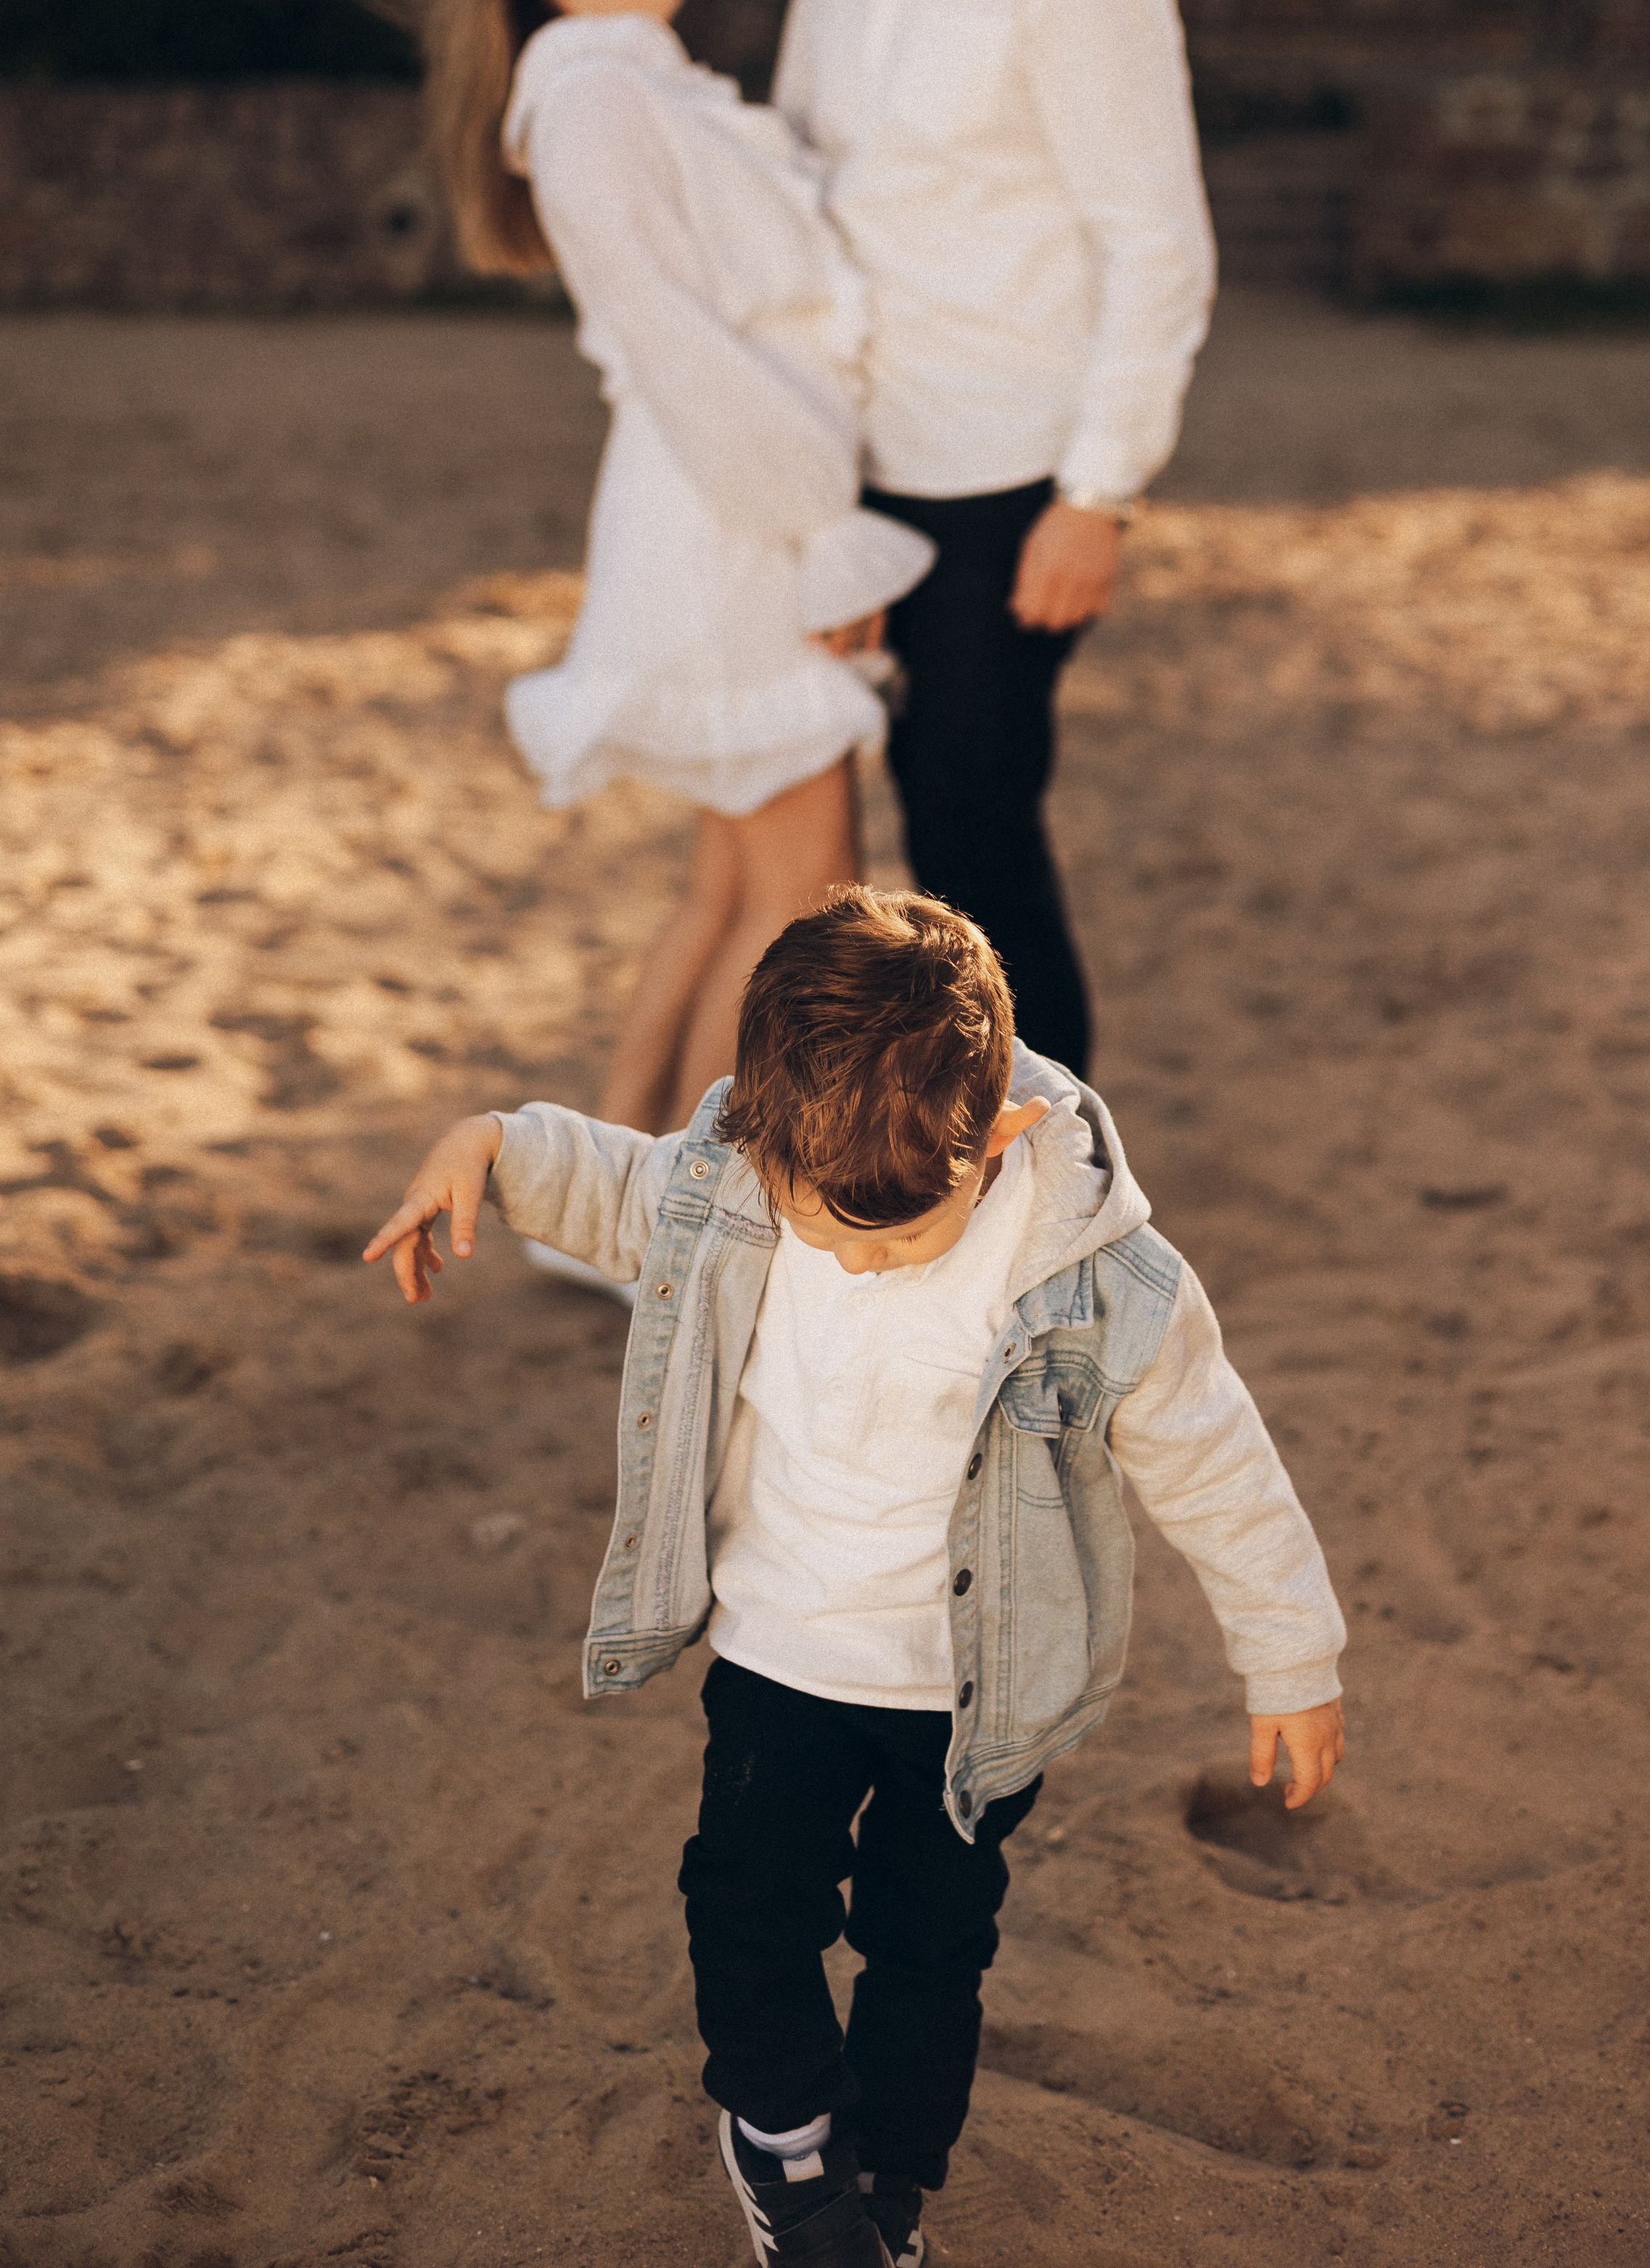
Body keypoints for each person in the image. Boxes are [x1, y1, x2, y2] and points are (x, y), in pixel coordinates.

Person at [364, 887, 1345, 2268]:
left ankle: (882, 2190)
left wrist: (1292, 1656)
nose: (858, 1259)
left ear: (998, 1135)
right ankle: (783, 2137)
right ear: (763, 1137)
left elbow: (1214, 1457)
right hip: (782, 1649)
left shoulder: (1098, 1280)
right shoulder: (756, 1178)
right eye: (825, 1225)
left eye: (897, 1238)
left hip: (974, 1693)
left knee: (930, 1948)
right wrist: (491, 1144)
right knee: (745, 1906)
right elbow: (629, 1186)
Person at [718, 0, 1218, 1080]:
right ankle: (931, 1145)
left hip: (1013, 477)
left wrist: (1098, 494)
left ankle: (1056, 1167)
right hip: (853, 463)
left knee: (970, 821)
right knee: (872, 830)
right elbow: (805, 183)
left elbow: (1156, 240)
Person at [426, 0, 935, 1135]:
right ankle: (701, 1208)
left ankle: (631, 1203)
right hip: (736, 510)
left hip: (739, 490)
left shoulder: (641, 88)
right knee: (807, 899)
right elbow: (674, 341)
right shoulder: (592, 101)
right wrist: (822, 530)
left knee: (727, 887)